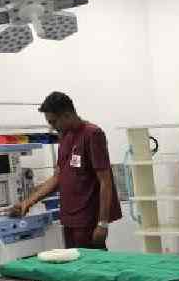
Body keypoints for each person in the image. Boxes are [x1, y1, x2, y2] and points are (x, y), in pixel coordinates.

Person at [10, 92, 122, 250]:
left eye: (53, 121)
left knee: (92, 269)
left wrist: (102, 223)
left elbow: (106, 181)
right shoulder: (65, 137)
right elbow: (58, 177)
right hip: (69, 219)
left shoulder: (92, 134)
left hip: (87, 220)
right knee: (73, 269)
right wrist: (27, 203)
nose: (52, 126)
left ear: (67, 114)